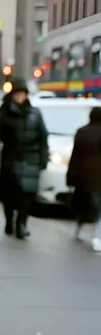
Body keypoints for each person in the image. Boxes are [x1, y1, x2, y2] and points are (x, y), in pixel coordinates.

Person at [0, 78, 48, 240]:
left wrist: (43, 159)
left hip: (30, 159)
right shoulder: (3, 113)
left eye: (22, 94)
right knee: (9, 194)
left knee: (27, 195)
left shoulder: (35, 113)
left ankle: (22, 224)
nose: (20, 97)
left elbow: (43, 138)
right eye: (17, 94)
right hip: (11, 158)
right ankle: (9, 220)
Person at [66, 106, 101, 252]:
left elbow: (75, 156)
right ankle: (97, 236)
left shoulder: (83, 132)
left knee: (85, 205)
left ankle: (80, 230)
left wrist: (70, 177)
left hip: (85, 176)